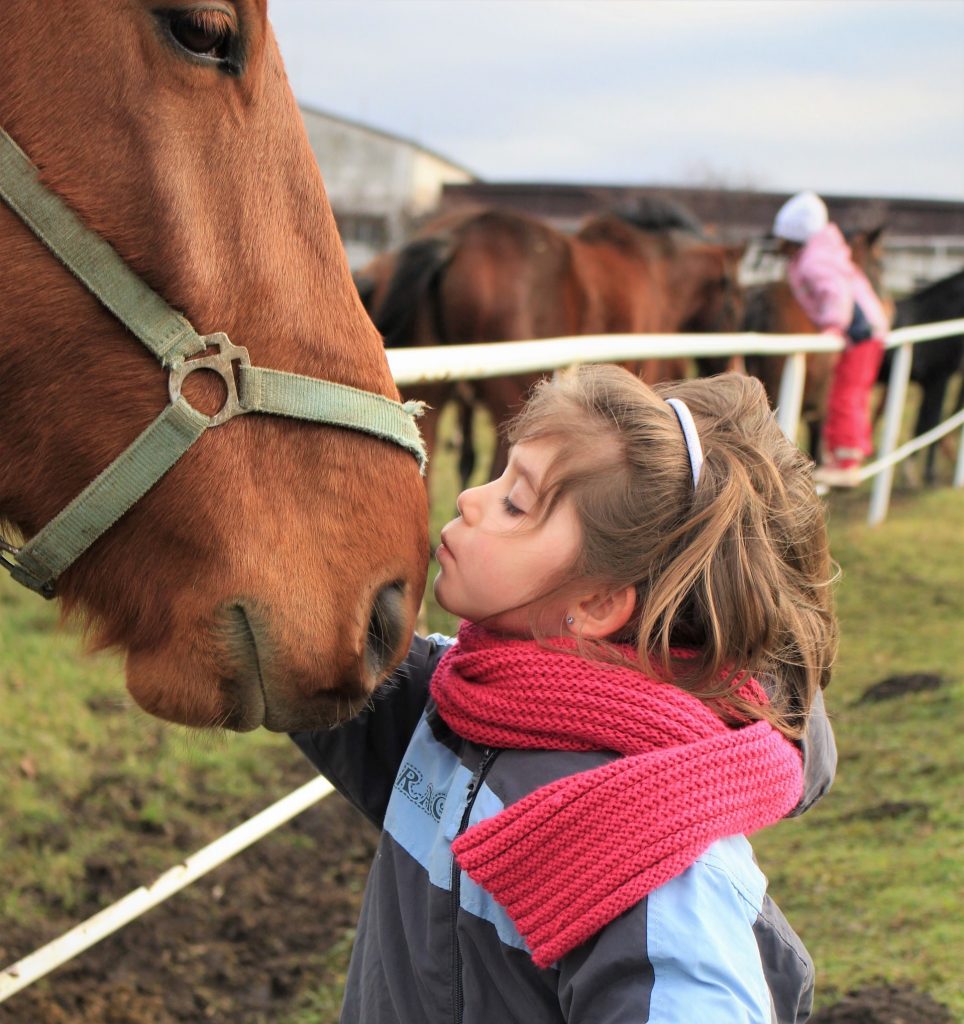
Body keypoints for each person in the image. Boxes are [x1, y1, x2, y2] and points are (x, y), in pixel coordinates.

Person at [293, 365, 839, 1023]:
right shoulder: (455, 705)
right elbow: (304, 637)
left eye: (516, 503)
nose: (470, 499)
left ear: (599, 602)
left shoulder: (656, 861)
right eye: (500, 476)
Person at [772, 190, 890, 487]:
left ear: (793, 237)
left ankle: (845, 464)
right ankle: (850, 454)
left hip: (858, 334)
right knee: (853, 394)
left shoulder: (815, 261)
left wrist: (833, 328)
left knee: (845, 395)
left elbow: (837, 295)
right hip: (866, 333)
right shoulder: (821, 253)